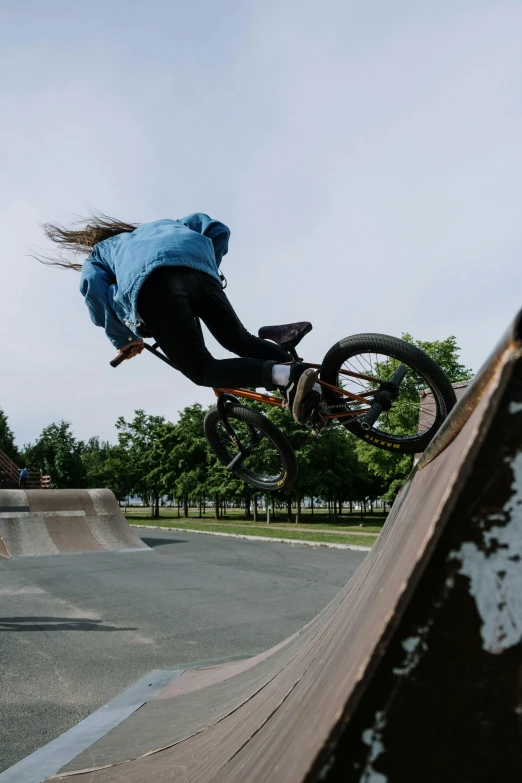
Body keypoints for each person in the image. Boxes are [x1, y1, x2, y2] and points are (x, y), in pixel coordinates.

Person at [40, 212, 319, 422]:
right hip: (198, 267)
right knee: (240, 340)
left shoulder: (101, 252)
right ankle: (317, 386)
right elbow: (217, 229)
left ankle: (287, 375)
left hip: (154, 286)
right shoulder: (163, 223)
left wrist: (124, 338)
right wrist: (206, 266)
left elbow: (92, 288)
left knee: (203, 370)